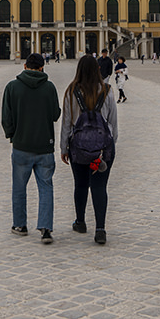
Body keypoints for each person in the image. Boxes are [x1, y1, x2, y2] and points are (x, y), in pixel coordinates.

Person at [1, 52, 61, 244]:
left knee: (19, 188)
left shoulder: (12, 87)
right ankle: (45, 229)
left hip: (21, 146)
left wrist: (13, 135)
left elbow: (6, 118)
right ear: (42, 68)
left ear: (25, 66)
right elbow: (55, 114)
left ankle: (20, 225)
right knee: (46, 188)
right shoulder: (49, 87)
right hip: (45, 147)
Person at [60, 55, 118, 245]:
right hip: (103, 149)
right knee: (100, 186)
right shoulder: (108, 91)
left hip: (78, 147)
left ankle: (81, 221)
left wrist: (63, 147)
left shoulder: (71, 91)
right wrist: (110, 144)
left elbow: (67, 123)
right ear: (98, 70)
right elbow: (113, 123)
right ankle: (100, 229)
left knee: (81, 184)